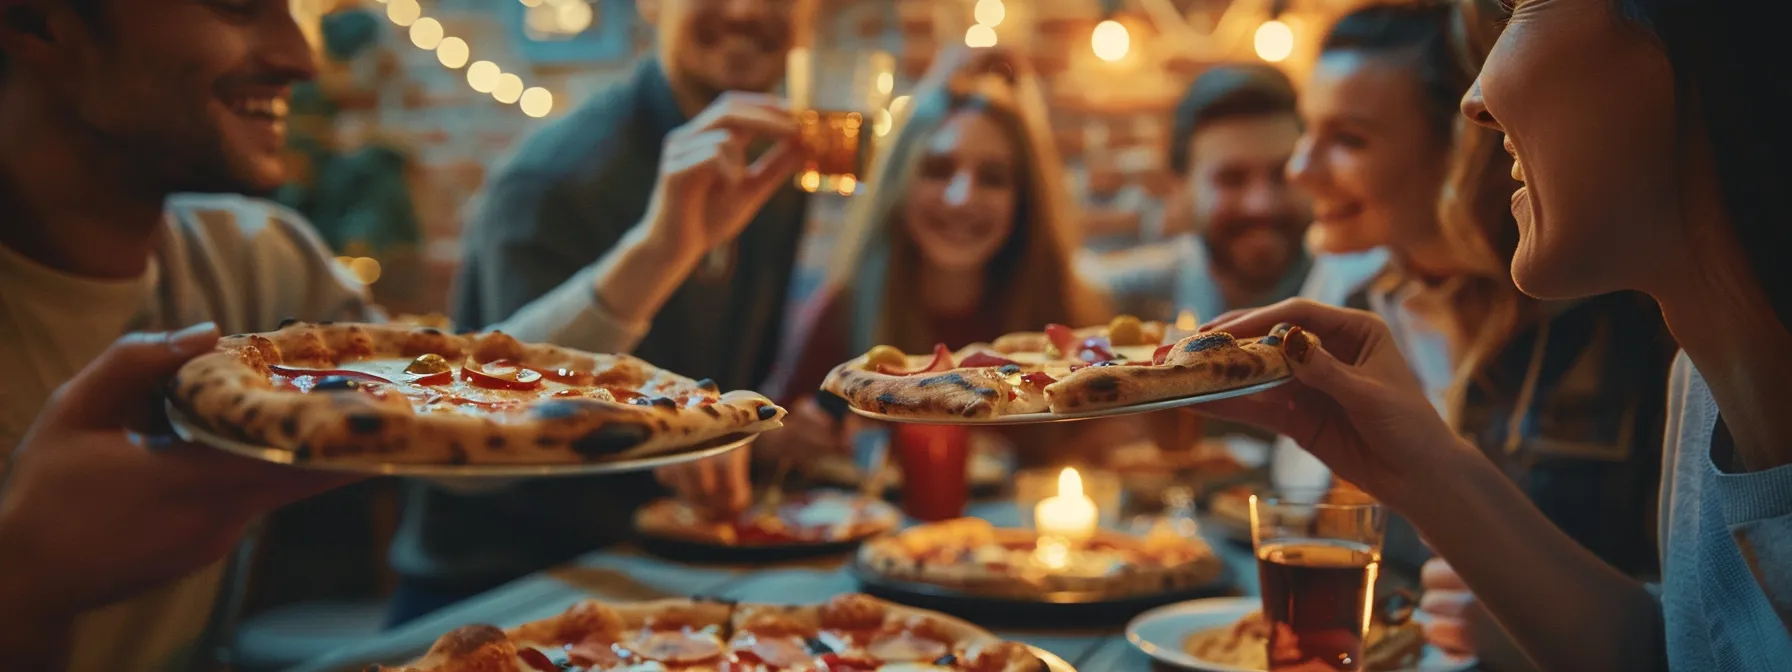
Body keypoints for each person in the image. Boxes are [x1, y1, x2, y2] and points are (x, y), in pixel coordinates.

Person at [0, 0, 755, 667]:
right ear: (36, 18)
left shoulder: (261, 260)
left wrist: (662, 249)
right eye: (235, 5)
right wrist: (23, 586)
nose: (300, 56)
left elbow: (460, 429)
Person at [1195, 0, 1792, 667]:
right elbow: (1675, 654)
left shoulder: (1636, 344)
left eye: (1521, 6)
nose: (1474, 101)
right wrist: (1424, 468)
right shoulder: (1700, 382)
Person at [392, 0, 817, 624]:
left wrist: (759, 437)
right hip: (495, 592)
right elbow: (502, 426)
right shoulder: (550, 181)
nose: (746, 8)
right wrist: (678, 449)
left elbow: (714, 398)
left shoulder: (780, 180)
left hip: (671, 573)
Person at [1280, 0, 1673, 590]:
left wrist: (1531, 610)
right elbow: (1305, 503)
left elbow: (1703, 603)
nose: (1299, 168)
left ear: (1464, 146)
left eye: (1349, 139)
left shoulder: (1620, 315)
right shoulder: (1352, 297)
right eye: (1306, 130)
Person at [757, 48, 1116, 465]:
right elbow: (774, 439)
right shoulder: (843, 312)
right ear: (900, 185)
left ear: (1024, 201)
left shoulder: (1072, 317)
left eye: (993, 178)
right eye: (938, 169)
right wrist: (787, 441)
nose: (961, 198)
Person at [1077, 64, 1320, 324]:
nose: (1261, 204)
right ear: (1180, 188)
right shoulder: (1130, 300)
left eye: (1282, 173)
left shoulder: (1358, 295)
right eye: (1231, 179)